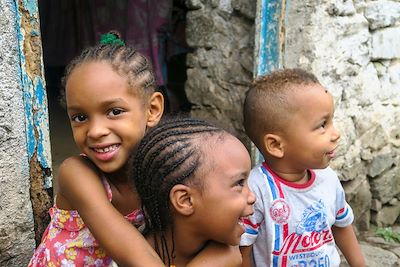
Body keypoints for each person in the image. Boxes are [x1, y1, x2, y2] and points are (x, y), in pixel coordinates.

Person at [28, 33, 245, 267]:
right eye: (80, 117)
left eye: (114, 111)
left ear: (152, 109)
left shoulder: (166, 173)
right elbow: (138, 259)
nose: (95, 131)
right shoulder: (76, 173)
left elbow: (227, 249)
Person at [239, 69, 365, 267]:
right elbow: (243, 249)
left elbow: (341, 226)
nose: (336, 134)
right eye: (322, 125)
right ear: (276, 145)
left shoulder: (328, 179)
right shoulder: (256, 190)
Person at [129, 116, 256, 267]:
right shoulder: (131, 255)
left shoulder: (231, 255)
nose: (252, 197)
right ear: (185, 200)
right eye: (239, 183)